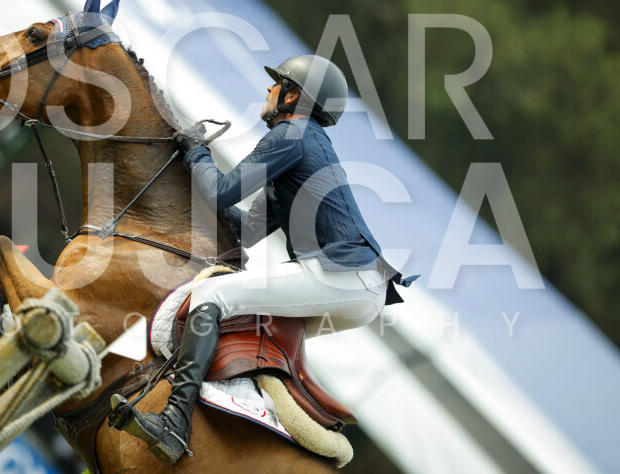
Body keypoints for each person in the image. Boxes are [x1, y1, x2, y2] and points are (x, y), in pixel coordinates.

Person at [111, 55, 415, 464]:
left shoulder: (292, 133)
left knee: (212, 296)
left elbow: (220, 192)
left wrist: (197, 153)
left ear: (293, 96)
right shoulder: (304, 145)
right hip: (357, 286)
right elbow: (248, 228)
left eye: (277, 83)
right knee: (244, 322)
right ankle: (243, 412)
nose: (268, 89)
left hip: (344, 276)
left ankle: (174, 423)